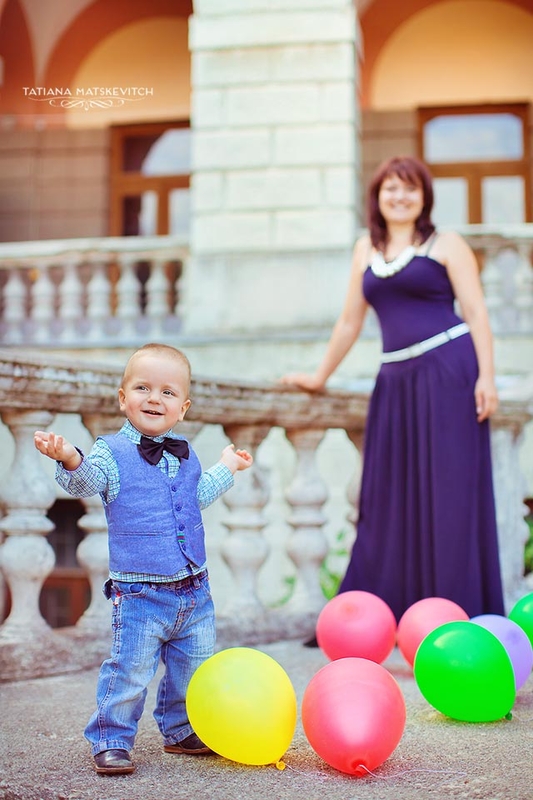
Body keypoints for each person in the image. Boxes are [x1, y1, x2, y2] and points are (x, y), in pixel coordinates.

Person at [281, 155, 505, 632]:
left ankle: (457, 618)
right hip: (395, 383)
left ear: (424, 197)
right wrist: (319, 376)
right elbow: (350, 322)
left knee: (450, 493)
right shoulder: (366, 247)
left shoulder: (446, 244)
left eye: (410, 188)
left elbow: (476, 312)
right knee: (386, 499)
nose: (400, 196)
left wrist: (487, 377)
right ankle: (386, 618)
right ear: (377, 196)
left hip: (449, 374)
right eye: (391, 188)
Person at [34, 343, 253, 776]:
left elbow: (197, 496)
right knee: (130, 672)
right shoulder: (110, 452)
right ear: (123, 398)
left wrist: (227, 466)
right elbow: (87, 483)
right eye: (143, 388)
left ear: (183, 408)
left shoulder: (184, 451)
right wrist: (70, 457)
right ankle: (111, 739)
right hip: (140, 594)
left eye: (168, 392)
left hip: (194, 589)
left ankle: (181, 729)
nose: (154, 398)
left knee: (192, 667)